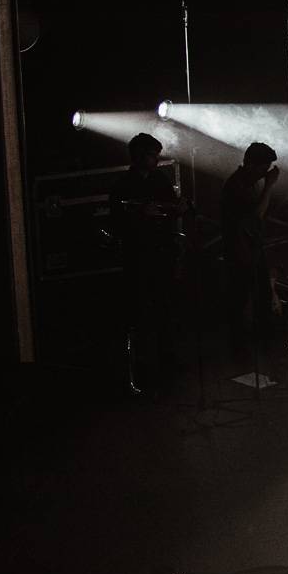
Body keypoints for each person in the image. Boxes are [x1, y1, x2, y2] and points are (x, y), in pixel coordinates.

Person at [109, 133, 181, 392]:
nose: (157, 159)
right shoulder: (122, 185)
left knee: (165, 307)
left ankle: (167, 360)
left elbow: (171, 208)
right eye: (152, 154)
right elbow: (116, 223)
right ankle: (142, 365)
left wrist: (177, 208)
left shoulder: (160, 180)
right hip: (138, 258)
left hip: (162, 254)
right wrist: (140, 214)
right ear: (140, 156)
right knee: (140, 311)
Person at [220, 142, 280, 367]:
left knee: (261, 299)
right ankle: (241, 354)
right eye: (262, 168)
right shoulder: (236, 186)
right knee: (240, 302)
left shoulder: (249, 182)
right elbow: (256, 216)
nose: (265, 173)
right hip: (240, 252)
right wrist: (269, 186)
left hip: (250, 249)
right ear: (250, 163)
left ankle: (262, 350)